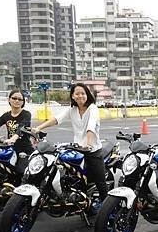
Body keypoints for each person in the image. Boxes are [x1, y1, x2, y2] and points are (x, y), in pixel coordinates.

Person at [33, 83, 107, 211]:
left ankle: (107, 211)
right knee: (71, 175)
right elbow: (57, 119)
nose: (80, 96)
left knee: (100, 182)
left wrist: (88, 144)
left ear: (87, 94)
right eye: (77, 93)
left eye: (82, 93)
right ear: (72, 96)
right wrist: (39, 128)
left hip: (92, 150)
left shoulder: (92, 108)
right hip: (77, 149)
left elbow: (91, 126)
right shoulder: (72, 109)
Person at [0, 89, 33, 173]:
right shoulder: (6, 115)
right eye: (14, 98)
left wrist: (13, 138)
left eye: (20, 99)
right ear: (9, 99)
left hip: (25, 149)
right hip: (11, 148)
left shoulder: (26, 114)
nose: (17, 101)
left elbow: (22, 128)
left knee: (21, 171)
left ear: (23, 102)